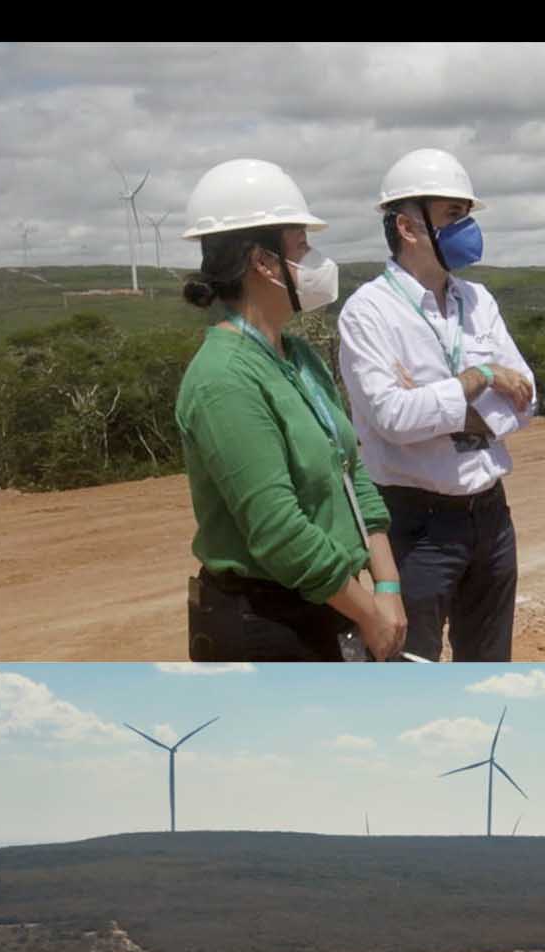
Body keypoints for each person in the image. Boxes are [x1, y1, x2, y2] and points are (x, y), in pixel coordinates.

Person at [172, 159, 404, 662]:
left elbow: (351, 468)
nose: (315, 262)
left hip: (333, 602)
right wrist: (368, 613)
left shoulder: (297, 356)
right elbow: (278, 530)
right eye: (302, 248)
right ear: (264, 262)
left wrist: (386, 586)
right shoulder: (223, 379)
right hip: (268, 623)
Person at [335, 148, 537, 662]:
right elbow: (394, 420)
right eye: (453, 215)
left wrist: (438, 403)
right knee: (409, 671)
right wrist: (480, 378)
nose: (466, 227)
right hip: (416, 525)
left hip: (491, 516)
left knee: (490, 669)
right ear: (407, 226)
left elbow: (525, 400)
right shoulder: (368, 314)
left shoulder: (478, 301)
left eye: (466, 214)